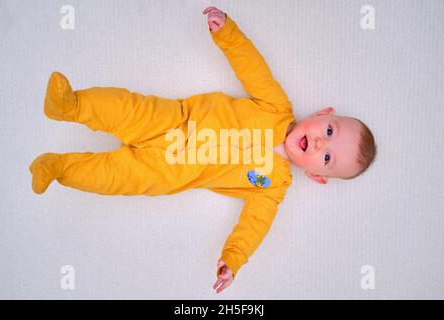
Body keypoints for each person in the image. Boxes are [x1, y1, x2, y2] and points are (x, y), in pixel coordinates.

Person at [29, 6, 377, 294]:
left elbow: (253, 225)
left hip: (168, 171)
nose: (318, 142)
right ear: (322, 114)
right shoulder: (276, 106)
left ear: (316, 175)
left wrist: (233, 259)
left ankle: (57, 168)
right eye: (328, 131)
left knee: (114, 178)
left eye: (326, 156)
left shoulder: (274, 186)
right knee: (127, 107)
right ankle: (69, 105)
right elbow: (252, 67)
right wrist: (227, 34)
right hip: (175, 120)